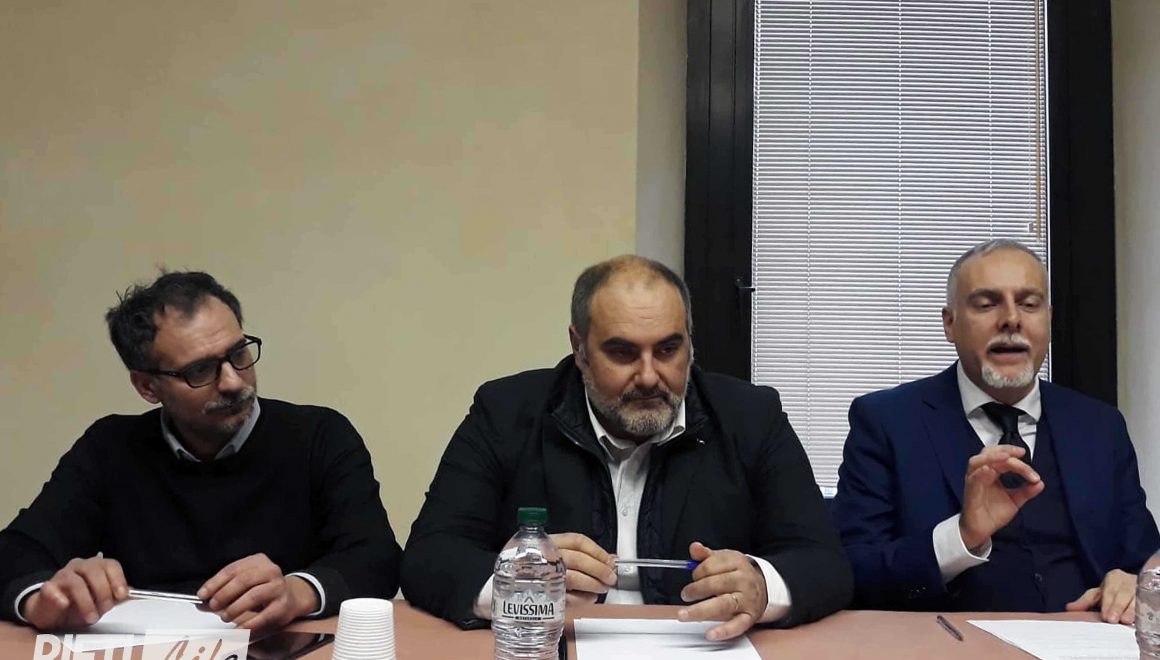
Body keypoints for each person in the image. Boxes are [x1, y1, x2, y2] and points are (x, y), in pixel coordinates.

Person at [402, 255, 852, 639]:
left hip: (703, 645)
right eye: (622, 353)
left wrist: (761, 585)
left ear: (690, 344)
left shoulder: (750, 417)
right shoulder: (507, 412)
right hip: (556, 644)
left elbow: (824, 561)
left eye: (668, 350)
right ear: (580, 348)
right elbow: (429, 554)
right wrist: (516, 587)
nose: (650, 376)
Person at [0, 271, 402, 630]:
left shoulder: (320, 435)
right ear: (147, 387)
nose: (232, 382)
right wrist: (41, 601)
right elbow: (15, 551)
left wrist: (299, 592)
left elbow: (376, 556)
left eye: (239, 353)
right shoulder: (109, 448)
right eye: (200, 370)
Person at [831, 239, 1160, 623]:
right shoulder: (886, 421)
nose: (1011, 320)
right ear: (950, 324)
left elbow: (1144, 560)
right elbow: (852, 569)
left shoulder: (1100, 425)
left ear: (1048, 320)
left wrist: (1132, 582)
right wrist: (961, 537)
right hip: (948, 643)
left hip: (1088, 638)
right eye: (987, 304)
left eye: (1029, 304)